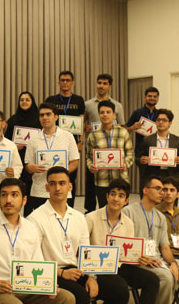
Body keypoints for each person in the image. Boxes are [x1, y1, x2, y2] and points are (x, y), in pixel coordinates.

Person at [27, 167, 115, 304]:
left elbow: (85, 251)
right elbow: (33, 259)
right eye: (53, 184)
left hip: (77, 270)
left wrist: (92, 276)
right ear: (46, 187)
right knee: (80, 296)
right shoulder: (35, 219)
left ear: (70, 187)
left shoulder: (78, 217)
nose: (57, 188)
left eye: (62, 183)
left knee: (119, 290)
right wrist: (61, 272)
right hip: (51, 273)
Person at [86, 178, 163, 304]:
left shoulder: (128, 223)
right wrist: (91, 274)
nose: (116, 199)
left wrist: (139, 258)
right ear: (107, 196)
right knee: (120, 288)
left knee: (152, 280)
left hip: (119, 265)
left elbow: (128, 254)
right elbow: (82, 249)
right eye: (113, 194)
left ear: (126, 200)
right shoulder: (91, 218)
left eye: (121, 196)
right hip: (98, 267)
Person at [23, 103, 80, 216]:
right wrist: (32, 167)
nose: (44, 117)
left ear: (56, 117)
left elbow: (75, 162)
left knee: (61, 221)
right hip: (39, 190)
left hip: (61, 190)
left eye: (48, 114)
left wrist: (61, 174)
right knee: (41, 223)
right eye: (42, 115)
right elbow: (28, 165)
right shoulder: (33, 139)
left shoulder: (68, 136)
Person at [84, 74, 126, 212]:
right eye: (99, 83)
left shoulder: (118, 105)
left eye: (104, 83)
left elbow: (122, 125)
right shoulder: (88, 104)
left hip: (114, 149)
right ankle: (91, 211)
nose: (101, 86)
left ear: (110, 86)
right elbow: (81, 125)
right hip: (96, 149)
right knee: (93, 187)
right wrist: (85, 128)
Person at [44, 71, 85, 207]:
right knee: (53, 175)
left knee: (70, 176)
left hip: (72, 142)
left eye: (68, 80)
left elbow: (82, 121)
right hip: (54, 141)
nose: (65, 83)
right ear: (58, 82)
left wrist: (80, 141)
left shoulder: (78, 100)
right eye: (62, 80)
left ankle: (69, 206)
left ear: (73, 83)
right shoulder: (52, 100)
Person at [84, 100, 133, 208]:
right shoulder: (93, 136)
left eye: (108, 112)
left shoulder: (123, 132)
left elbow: (130, 154)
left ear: (114, 115)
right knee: (104, 212)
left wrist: (126, 164)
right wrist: (91, 166)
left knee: (122, 212)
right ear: (99, 115)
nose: (105, 115)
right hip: (102, 181)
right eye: (102, 112)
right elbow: (89, 157)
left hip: (121, 179)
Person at [137, 109, 179, 191]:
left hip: (171, 177)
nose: (161, 122)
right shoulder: (147, 140)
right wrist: (141, 160)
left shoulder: (178, 141)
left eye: (164, 120)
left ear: (170, 123)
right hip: (153, 177)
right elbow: (137, 158)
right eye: (158, 120)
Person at [5, 91, 41, 195]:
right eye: (22, 100)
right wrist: (15, 146)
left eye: (27, 100)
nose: (24, 102)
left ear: (32, 102)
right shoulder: (13, 120)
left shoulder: (39, 120)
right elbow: (6, 140)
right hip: (17, 157)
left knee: (31, 187)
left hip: (33, 158)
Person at [126, 86, 159, 165]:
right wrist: (132, 128)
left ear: (158, 98)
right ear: (145, 97)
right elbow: (125, 131)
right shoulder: (137, 113)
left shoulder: (159, 114)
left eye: (155, 96)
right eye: (150, 96)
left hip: (157, 149)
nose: (152, 98)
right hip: (141, 151)